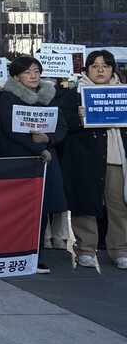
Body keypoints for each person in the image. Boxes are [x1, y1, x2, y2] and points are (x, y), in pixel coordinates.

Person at [0, 56, 67, 274]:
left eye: (36, 71)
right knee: (19, 209)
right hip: (21, 159)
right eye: (28, 72)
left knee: (42, 210)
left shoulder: (48, 97)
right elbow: (11, 130)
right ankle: (14, 252)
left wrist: (48, 140)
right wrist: (39, 148)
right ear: (16, 76)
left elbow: (61, 126)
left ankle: (35, 255)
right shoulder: (8, 98)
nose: (33, 75)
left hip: (46, 159)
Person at [59, 49, 127, 270]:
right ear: (87, 69)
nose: (101, 70)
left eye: (105, 66)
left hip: (117, 159)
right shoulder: (75, 94)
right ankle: (85, 250)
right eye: (95, 66)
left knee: (119, 208)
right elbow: (62, 124)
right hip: (86, 160)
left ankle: (120, 250)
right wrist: (78, 119)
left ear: (112, 69)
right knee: (86, 205)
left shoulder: (122, 93)